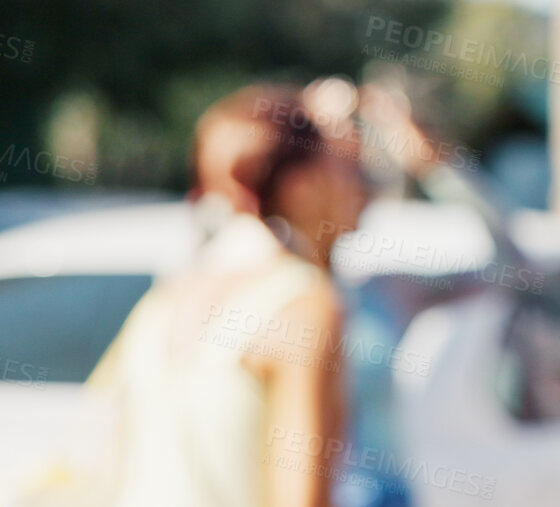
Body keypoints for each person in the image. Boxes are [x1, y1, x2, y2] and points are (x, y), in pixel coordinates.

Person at [91, 83, 369, 507]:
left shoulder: (173, 293)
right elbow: (301, 498)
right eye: (346, 171)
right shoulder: (303, 306)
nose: (361, 191)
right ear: (302, 187)